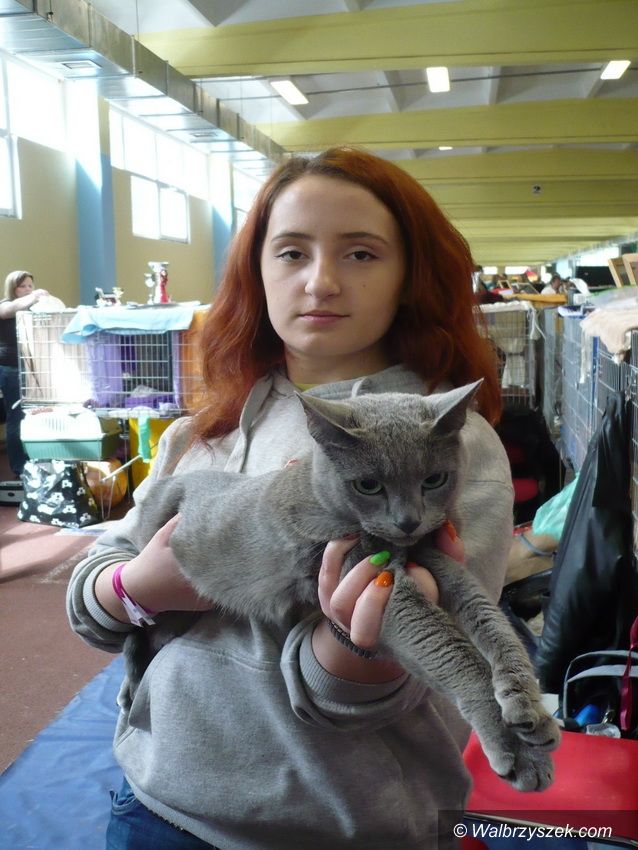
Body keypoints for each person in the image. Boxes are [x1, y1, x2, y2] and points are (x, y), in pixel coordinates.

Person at [67, 147, 514, 850]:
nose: (321, 281)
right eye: (292, 253)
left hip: (339, 831)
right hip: (155, 804)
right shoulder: (202, 432)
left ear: (410, 275)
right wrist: (140, 587)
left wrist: (356, 645)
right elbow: (96, 584)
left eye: (361, 254)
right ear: (258, 271)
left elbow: (417, 679)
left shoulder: (447, 447)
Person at [0, 270, 49, 477]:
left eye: (31, 285)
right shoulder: (5, 305)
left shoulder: (32, 308)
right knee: (16, 416)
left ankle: (34, 460)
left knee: (34, 415)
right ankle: (19, 467)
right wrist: (35, 295)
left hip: (31, 368)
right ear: (13, 288)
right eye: (23, 286)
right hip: (11, 369)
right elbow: (8, 311)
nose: (28, 289)